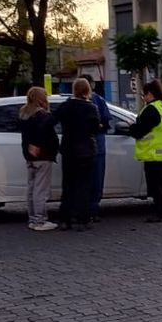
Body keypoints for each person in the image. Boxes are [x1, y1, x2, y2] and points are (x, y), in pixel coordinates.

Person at [129, 79, 162, 222]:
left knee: (157, 186)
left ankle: (161, 213)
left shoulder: (151, 109)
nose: (143, 98)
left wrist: (131, 127)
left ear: (150, 94)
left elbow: (139, 131)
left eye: (143, 95)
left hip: (156, 155)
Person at [54, 77, 102, 231]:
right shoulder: (91, 108)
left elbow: (51, 121)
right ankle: (83, 219)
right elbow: (95, 128)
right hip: (86, 150)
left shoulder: (65, 106)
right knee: (84, 185)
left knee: (68, 185)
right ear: (88, 90)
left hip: (68, 149)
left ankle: (64, 219)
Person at [19, 87, 60, 231]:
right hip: (42, 156)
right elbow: (47, 130)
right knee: (40, 190)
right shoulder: (42, 115)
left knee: (31, 188)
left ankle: (32, 218)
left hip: (30, 157)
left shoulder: (24, 113)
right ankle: (39, 220)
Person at [84, 75, 111, 223]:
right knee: (96, 179)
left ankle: (83, 210)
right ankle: (93, 210)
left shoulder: (71, 102)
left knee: (82, 180)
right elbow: (106, 123)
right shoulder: (98, 101)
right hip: (96, 147)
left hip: (78, 148)